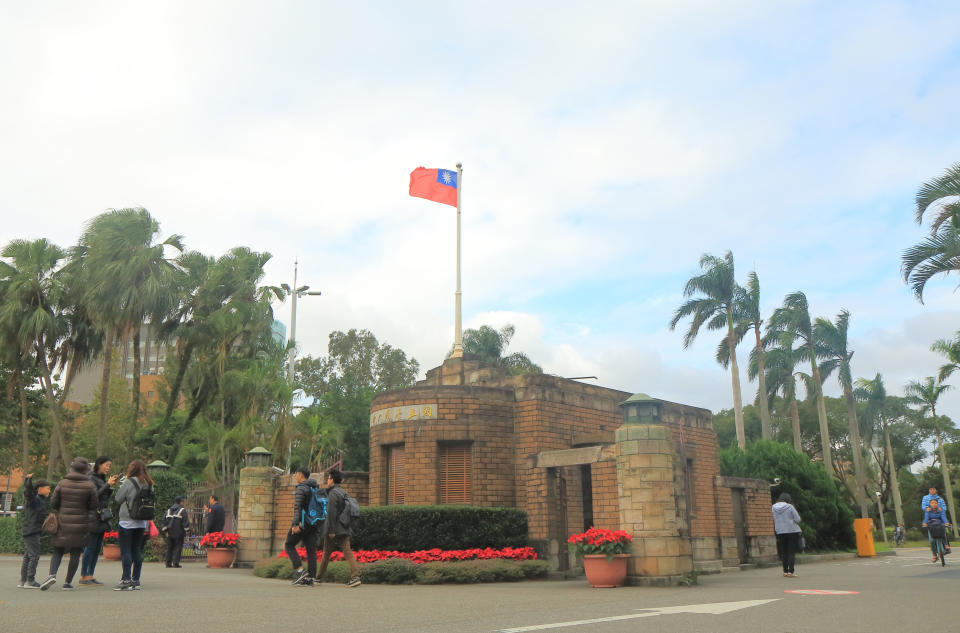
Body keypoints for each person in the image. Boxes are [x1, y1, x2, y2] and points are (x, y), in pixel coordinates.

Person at [40, 457, 98, 591]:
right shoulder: (90, 486)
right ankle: (67, 582)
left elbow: (54, 503)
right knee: (76, 553)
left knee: (58, 550)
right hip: (81, 523)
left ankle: (52, 575)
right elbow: (94, 505)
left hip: (63, 521)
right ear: (85, 471)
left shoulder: (62, 483)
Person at [113, 460, 154, 591]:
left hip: (127, 520)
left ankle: (126, 580)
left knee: (126, 551)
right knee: (137, 550)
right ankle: (136, 580)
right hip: (142, 521)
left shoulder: (128, 482)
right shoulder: (149, 483)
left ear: (132, 469)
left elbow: (118, 499)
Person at [316, 469, 360, 588]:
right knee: (347, 551)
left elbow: (331, 513)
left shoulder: (333, 493)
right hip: (344, 526)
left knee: (326, 553)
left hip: (335, 528)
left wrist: (331, 531)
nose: (327, 480)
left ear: (332, 480)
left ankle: (318, 578)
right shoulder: (343, 492)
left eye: (329, 478)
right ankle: (355, 577)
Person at [80, 456, 119, 585]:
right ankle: (84, 575)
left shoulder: (101, 479)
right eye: (106, 465)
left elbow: (104, 497)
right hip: (92, 516)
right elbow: (93, 496)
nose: (108, 468)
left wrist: (110, 486)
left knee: (97, 548)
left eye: (109, 465)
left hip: (101, 516)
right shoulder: (90, 478)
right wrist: (107, 484)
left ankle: (90, 574)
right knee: (90, 547)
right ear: (99, 465)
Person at [287, 467, 322, 586]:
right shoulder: (314, 487)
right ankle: (311, 578)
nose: (295, 476)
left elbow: (298, 508)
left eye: (296, 474)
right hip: (314, 522)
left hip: (303, 523)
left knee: (289, 544)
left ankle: (300, 571)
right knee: (311, 551)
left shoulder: (301, 488)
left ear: (300, 475)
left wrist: (295, 524)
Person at [19, 474, 50, 589]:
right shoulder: (34, 500)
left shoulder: (39, 500)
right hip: (32, 531)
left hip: (31, 530)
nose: (49, 491)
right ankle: (30, 581)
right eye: (48, 488)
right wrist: (28, 481)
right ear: (40, 489)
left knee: (28, 556)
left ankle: (23, 580)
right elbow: (28, 493)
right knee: (34, 556)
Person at [772, 492, 802, 578]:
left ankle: (785, 571)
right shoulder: (790, 507)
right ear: (788, 499)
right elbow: (798, 519)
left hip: (780, 531)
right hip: (792, 531)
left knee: (784, 552)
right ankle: (791, 572)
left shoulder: (773, 507)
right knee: (791, 551)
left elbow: (774, 519)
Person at [921, 486, 951, 553]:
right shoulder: (925, 497)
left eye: (934, 489)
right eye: (930, 489)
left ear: (936, 490)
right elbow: (923, 506)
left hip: (940, 516)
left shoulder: (940, 498)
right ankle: (934, 554)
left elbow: (944, 507)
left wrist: (941, 509)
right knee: (931, 539)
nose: (932, 490)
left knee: (944, 532)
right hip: (930, 517)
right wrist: (927, 508)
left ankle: (946, 546)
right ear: (929, 490)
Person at [922, 498, 950, 562]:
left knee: (943, 533)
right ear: (930, 504)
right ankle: (934, 555)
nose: (934, 504)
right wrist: (924, 523)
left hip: (939, 525)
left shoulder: (940, 510)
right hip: (931, 526)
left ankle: (946, 545)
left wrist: (946, 522)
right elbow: (926, 518)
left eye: (935, 503)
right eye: (932, 503)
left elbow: (943, 517)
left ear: (937, 504)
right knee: (932, 541)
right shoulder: (928, 510)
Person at [164, 496, 189, 568]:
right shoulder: (182, 510)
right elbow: (185, 522)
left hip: (169, 532)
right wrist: (187, 531)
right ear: (181, 502)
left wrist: (166, 531)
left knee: (169, 547)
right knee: (178, 547)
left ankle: (168, 563)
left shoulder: (168, 510)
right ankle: (175, 563)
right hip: (179, 532)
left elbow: (164, 522)